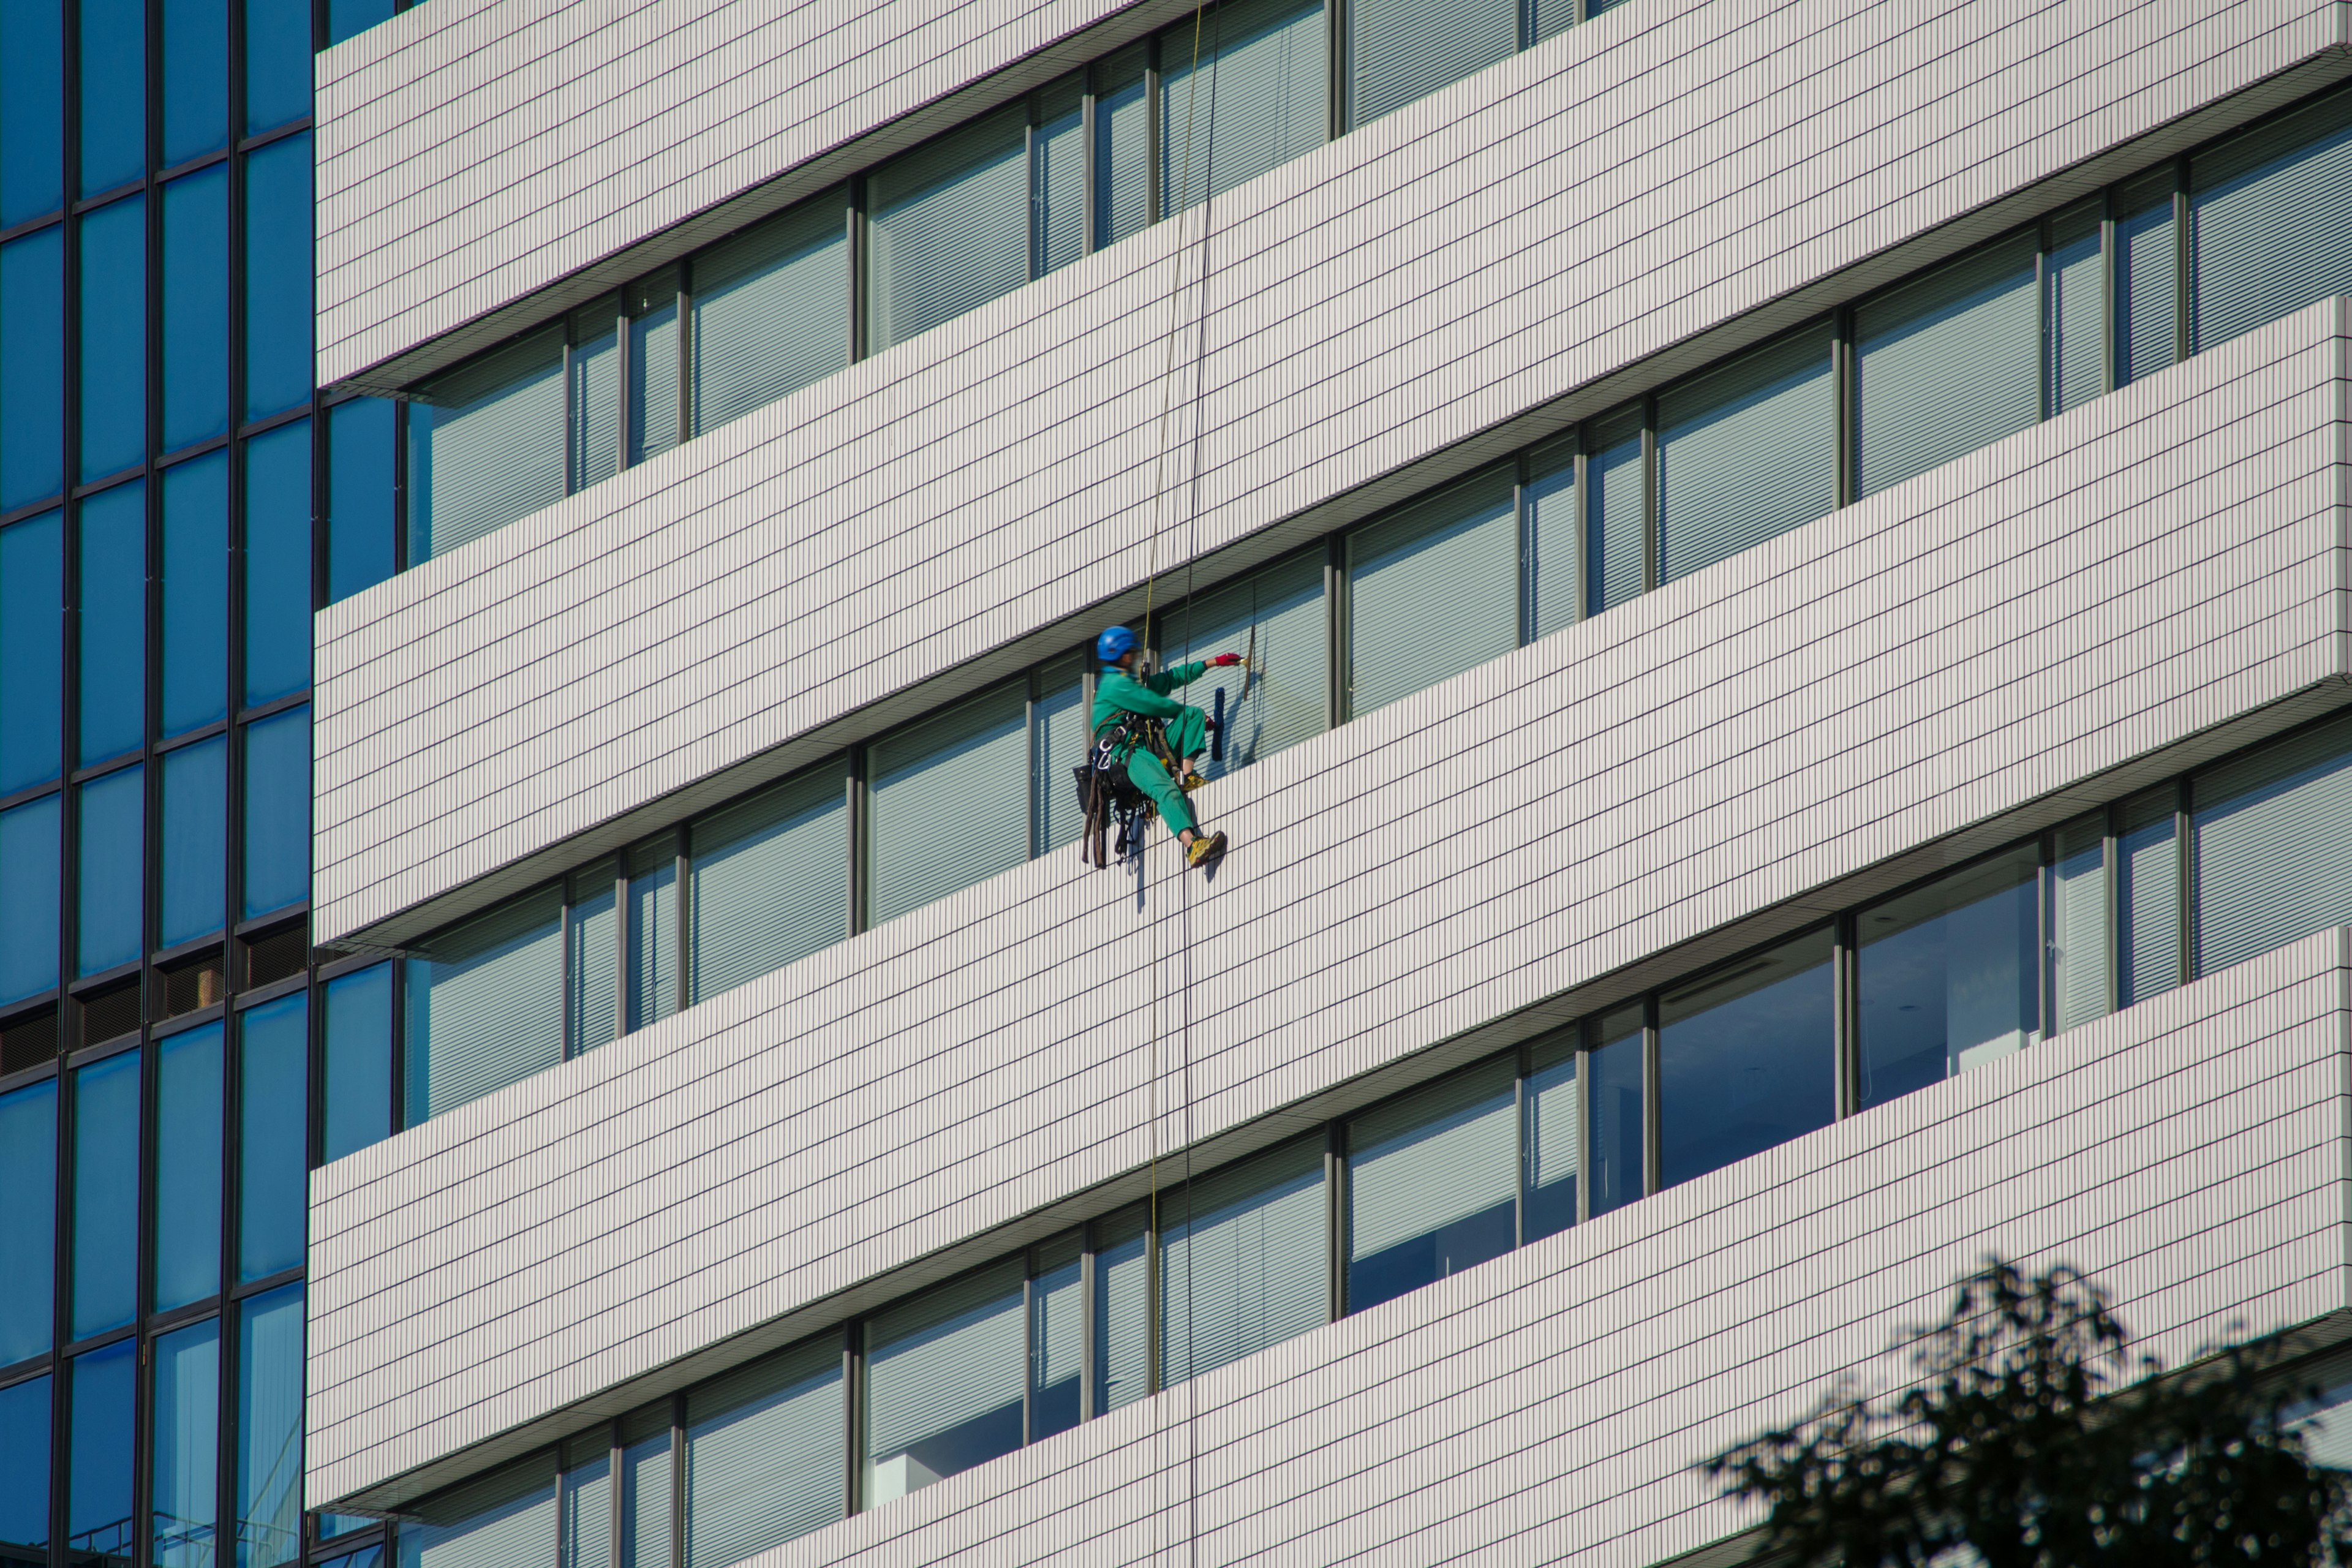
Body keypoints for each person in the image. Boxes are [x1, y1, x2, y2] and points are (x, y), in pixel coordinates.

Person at [1091, 626, 1243, 868]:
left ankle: (1187, 775)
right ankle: (1192, 845)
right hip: (1127, 756)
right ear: (1120, 655)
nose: (1134, 656)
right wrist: (1174, 710)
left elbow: (1173, 678)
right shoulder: (1113, 685)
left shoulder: (1132, 683)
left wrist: (1213, 662)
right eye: (1130, 652)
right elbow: (1153, 704)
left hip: (1146, 747)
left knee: (1192, 715)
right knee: (1166, 789)